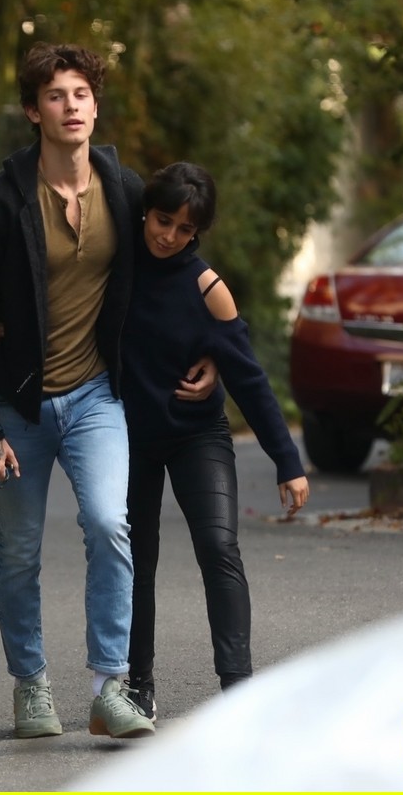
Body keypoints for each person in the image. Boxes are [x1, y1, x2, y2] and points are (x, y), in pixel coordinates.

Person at [0, 42, 218, 741]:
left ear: (96, 106)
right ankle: (31, 686)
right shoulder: (0, 202)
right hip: (18, 405)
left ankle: (109, 688)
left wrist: (215, 348)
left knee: (108, 522)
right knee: (19, 549)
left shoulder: (125, 192)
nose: (71, 107)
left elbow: (176, 259)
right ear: (33, 110)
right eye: (57, 96)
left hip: (97, 394)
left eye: (82, 94)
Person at [120, 161, 310, 722]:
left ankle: (238, 688)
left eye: (185, 229)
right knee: (136, 560)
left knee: (219, 548)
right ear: (146, 211)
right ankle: (137, 688)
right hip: (127, 436)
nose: (169, 236)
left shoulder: (209, 290)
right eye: (162, 220)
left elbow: (249, 379)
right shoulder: (118, 264)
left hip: (196, 434)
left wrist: (287, 461)